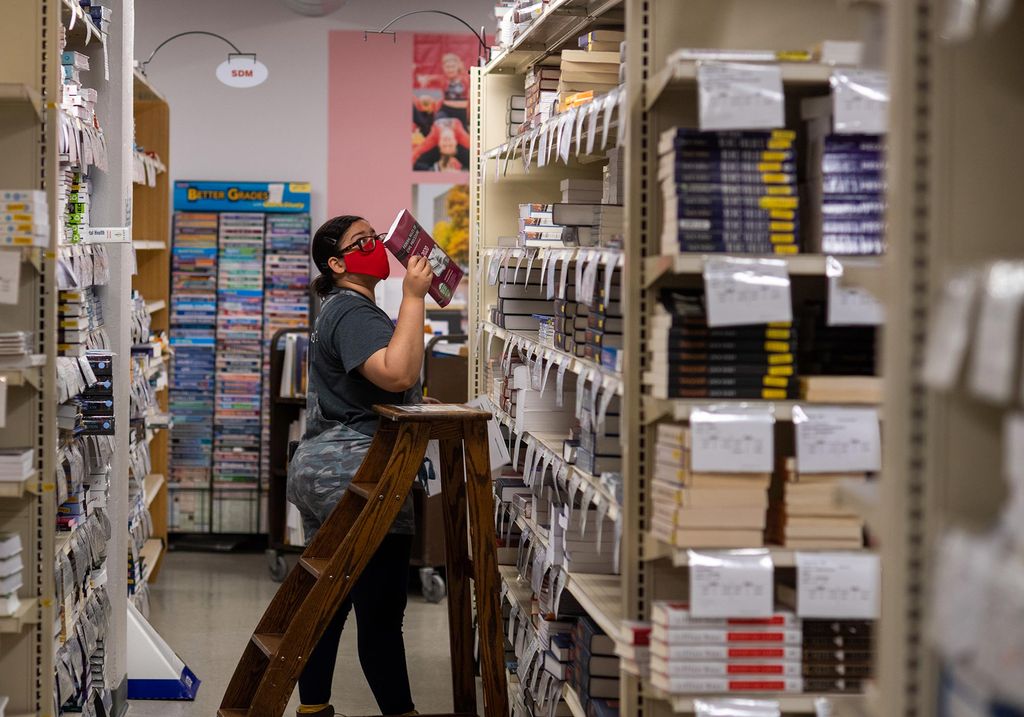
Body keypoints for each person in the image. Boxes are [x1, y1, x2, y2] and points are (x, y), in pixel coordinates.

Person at [286, 215, 434, 717]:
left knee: (329, 604)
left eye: (376, 236)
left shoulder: (339, 308)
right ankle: (401, 713)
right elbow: (396, 374)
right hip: (361, 475)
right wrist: (414, 296)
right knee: (380, 612)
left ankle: (314, 709)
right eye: (362, 241)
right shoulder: (353, 312)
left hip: (327, 470)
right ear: (337, 262)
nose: (376, 245)